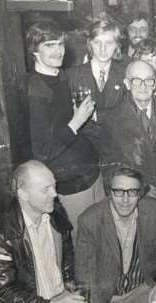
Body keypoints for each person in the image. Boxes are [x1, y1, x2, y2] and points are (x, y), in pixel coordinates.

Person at [26, 21, 103, 237]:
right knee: (87, 243)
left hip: (91, 172)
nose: (58, 51)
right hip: (72, 184)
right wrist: (76, 122)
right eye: (49, 45)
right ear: (34, 52)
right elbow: (43, 150)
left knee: (104, 235)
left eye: (60, 44)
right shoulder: (36, 90)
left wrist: (84, 117)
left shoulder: (61, 77)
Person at [75, 166, 156, 303]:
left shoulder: (155, 209)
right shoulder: (89, 220)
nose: (125, 200)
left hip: (145, 289)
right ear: (109, 192)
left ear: (140, 193)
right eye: (118, 191)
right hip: (107, 297)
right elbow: (84, 275)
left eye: (132, 192)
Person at [0, 160, 82, 302]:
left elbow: (67, 267)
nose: (54, 193)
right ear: (23, 194)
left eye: (54, 185)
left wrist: (69, 289)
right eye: (45, 189)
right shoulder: (3, 235)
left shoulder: (57, 218)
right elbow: (2, 291)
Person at [102, 60, 156, 204]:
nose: (143, 86)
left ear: (155, 83)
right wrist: (141, 188)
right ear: (127, 83)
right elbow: (110, 167)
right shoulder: (112, 119)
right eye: (137, 80)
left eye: (148, 80)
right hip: (136, 198)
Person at [66, 16, 126, 149]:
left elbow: (128, 114)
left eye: (109, 43)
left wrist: (96, 115)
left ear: (117, 46)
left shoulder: (125, 73)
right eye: (97, 42)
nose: (103, 48)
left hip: (118, 145)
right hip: (81, 148)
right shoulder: (71, 75)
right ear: (90, 44)